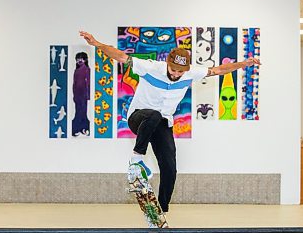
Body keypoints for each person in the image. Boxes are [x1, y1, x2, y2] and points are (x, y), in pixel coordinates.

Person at [80, 30, 260, 214]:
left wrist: (244, 64)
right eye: (173, 70)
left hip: (162, 123)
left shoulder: (191, 73)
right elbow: (120, 56)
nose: (176, 74)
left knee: (170, 168)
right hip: (138, 118)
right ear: (167, 64)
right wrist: (97, 43)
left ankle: (161, 212)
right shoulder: (150, 67)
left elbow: (219, 70)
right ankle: (136, 160)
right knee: (155, 115)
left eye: (180, 72)